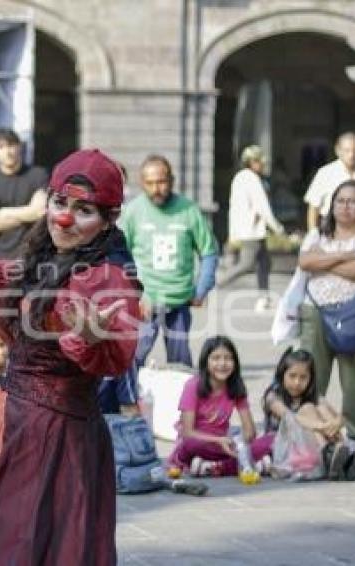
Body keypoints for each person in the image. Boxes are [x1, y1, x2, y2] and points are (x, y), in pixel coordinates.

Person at [0, 149, 142, 565]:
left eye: (83, 209)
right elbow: (17, 289)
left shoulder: (109, 276)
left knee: (30, 546)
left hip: (58, 436)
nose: (65, 218)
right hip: (14, 419)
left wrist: (92, 337)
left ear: (109, 219)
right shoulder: (47, 251)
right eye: (59, 203)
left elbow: (118, 355)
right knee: (8, 538)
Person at [117, 155, 218, 410]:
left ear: (171, 180)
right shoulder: (133, 212)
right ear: (141, 183)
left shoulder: (189, 210)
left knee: (181, 362)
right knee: (134, 356)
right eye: (150, 183)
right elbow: (119, 256)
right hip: (144, 304)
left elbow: (209, 251)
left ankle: (185, 414)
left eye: (162, 182)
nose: (157, 188)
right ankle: (129, 411)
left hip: (180, 301)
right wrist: (134, 294)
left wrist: (202, 287)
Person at [298, 179, 355, 469]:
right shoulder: (316, 234)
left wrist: (326, 261)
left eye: (352, 201)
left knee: (353, 381)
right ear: (331, 205)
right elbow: (305, 262)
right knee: (312, 380)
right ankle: (317, 438)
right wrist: (343, 256)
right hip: (315, 313)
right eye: (339, 201)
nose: (345, 207)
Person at [168, 336, 270, 477]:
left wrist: (239, 444)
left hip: (223, 446)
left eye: (228, 358)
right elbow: (187, 432)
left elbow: (250, 431)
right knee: (190, 444)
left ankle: (215, 467)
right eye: (215, 358)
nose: (222, 364)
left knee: (271, 439)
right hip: (199, 443)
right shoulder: (193, 385)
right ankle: (248, 465)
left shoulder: (235, 386)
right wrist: (219, 441)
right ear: (206, 362)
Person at [262, 348, 355, 481]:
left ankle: (341, 454)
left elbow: (339, 417)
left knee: (321, 408)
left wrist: (335, 423)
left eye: (303, 377)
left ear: (310, 379)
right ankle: (330, 455)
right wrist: (322, 426)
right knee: (308, 408)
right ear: (282, 374)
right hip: (283, 448)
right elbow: (289, 416)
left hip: (309, 444)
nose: (297, 382)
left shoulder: (311, 395)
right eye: (292, 376)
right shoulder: (273, 396)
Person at [217, 145, 285, 312]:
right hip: (251, 231)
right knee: (247, 264)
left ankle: (264, 298)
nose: (263, 165)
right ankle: (214, 283)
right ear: (251, 162)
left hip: (251, 229)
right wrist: (277, 228)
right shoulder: (251, 179)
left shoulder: (241, 177)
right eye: (260, 161)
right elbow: (262, 207)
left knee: (264, 263)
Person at [0, 128, 49, 260]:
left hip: (32, 255)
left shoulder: (38, 175)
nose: (7, 152)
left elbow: (40, 211)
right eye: (1, 147)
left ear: (19, 147)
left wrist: (5, 212)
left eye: (11, 145)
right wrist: (29, 214)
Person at [304, 132, 355, 231]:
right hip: (331, 227)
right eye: (347, 150)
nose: (351, 155)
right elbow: (313, 207)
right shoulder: (325, 173)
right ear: (338, 151)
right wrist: (312, 234)